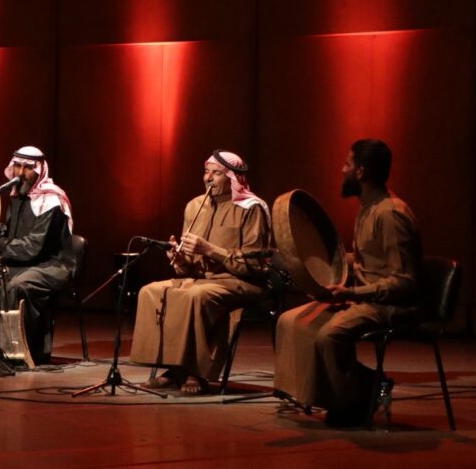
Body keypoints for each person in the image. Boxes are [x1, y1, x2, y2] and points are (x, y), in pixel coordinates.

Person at [274, 139, 420, 426]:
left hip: (390, 304)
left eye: (347, 164)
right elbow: (369, 260)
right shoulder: (368, 207)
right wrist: (317, 263)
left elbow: (404, 281)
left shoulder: (390, 214)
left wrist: (352, 291)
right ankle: (324, 394)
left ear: (361, 172)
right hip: (366, 298)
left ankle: (363, 392)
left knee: (330, 335)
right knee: (290, 321)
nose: (342, 170)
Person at [130, 150, 273, 395]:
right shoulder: (195, 206)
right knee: (151, 291)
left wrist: (210, 250)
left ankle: (196, 371)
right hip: (200, 279)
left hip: (240, 280)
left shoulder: (252, 208)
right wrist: (179, 259)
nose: (208, 178)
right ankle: (172, 367)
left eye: (217, 173)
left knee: (195, 297)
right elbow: (189, 265)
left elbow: (254, 262)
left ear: (233, 178)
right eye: (206, 172)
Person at [0, 145, 74, 365]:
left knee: (16, 286)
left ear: (38, 170)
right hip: (23, 263)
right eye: (17, 166)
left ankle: (19, 351)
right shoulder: (18, 197)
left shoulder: (51, 201)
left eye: (27, 168)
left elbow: (34, 246)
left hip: (52, 265)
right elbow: (13, 234)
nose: (20, 173)